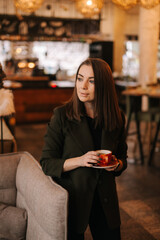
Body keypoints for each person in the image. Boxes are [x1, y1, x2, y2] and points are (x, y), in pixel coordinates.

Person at [40, 58, 128, 240]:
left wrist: (117, 164)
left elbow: (122, 158)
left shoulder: (117, 117)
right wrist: (81, 160)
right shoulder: (61, 116)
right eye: (80, 78)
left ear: (104, 85)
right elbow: (47, 164)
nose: (83, 86)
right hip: (74, 200)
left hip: (105, 201)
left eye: (92, 81)